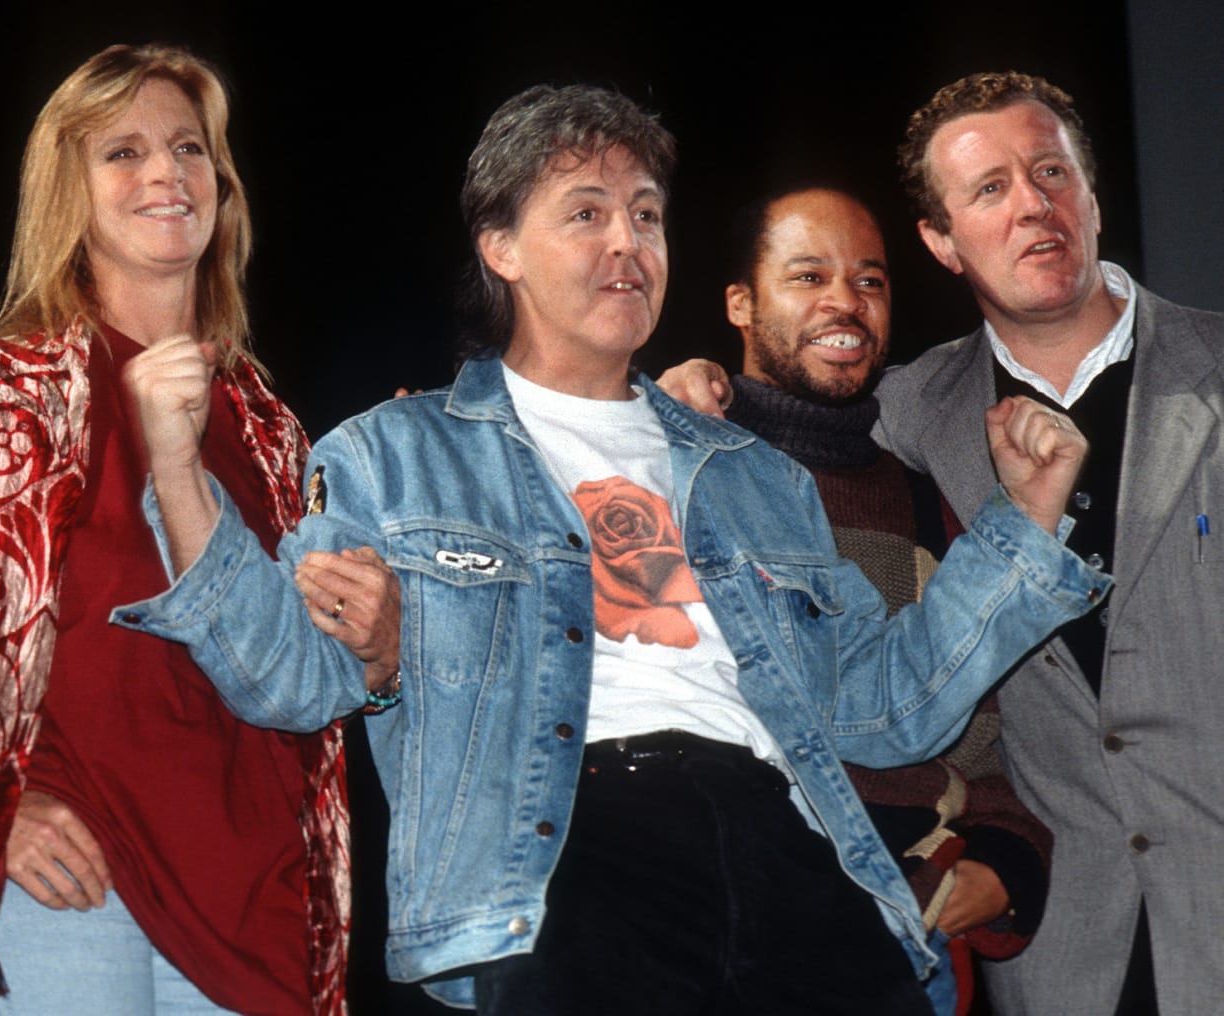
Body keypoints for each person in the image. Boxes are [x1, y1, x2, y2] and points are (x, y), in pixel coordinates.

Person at [118, 83, 1107, 1014]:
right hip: (565, 864)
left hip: (787, 849)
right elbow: (288, 680)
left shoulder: (755, 475)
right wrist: (174, 467)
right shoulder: (396, 455)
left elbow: (886, 710)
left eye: (644, 212)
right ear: (500, 245)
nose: (627, 240)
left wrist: (1022, 523)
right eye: (584, 212)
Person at [0, 44, 394, 1015]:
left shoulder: (271, 429)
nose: (167, 171)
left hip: (260, 902)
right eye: (122, 152)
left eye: (189, 147)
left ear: (223, 185)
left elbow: (303, 681)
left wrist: (379, 659)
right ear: (67, 194)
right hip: (69, 885)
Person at [868, 71, 1224, 1016]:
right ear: (941, 243)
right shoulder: (907, 417)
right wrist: (699, 395)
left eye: (1051, 172)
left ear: (1094, 196)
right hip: (1065, 949)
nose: (1033, 204)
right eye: (990, 188)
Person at [720, 184, 1053, 1015]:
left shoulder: (925, 502)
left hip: (898, 936)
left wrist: (999, 866)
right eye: (807, 276)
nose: (845, 301)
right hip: (714, 918)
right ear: (739, 302)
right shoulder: (673, 474)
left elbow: (986, 744)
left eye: (869, 280)